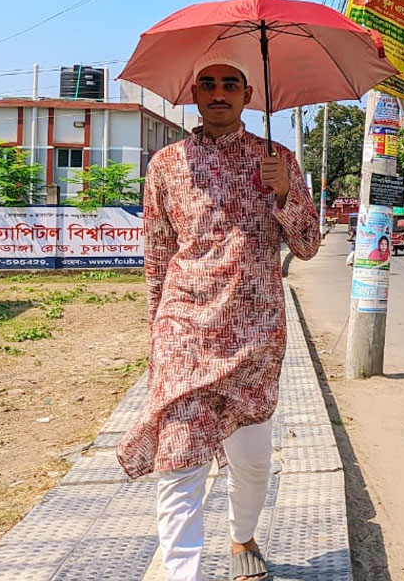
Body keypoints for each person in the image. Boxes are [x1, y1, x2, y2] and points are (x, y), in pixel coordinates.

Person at [116, 53, 321, 581]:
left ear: (249, 96)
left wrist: (284, 194)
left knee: (251, 459)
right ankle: (182, 573)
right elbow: (157, 255)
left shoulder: (279, 159)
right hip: (185, 332)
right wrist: (156, 333)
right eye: (207, 83)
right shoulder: (166, 165)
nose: (219, 92)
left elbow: (308, 245)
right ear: (193, 94)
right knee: (180, 459)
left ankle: (242, 537)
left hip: (255, 334)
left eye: (231, 84)